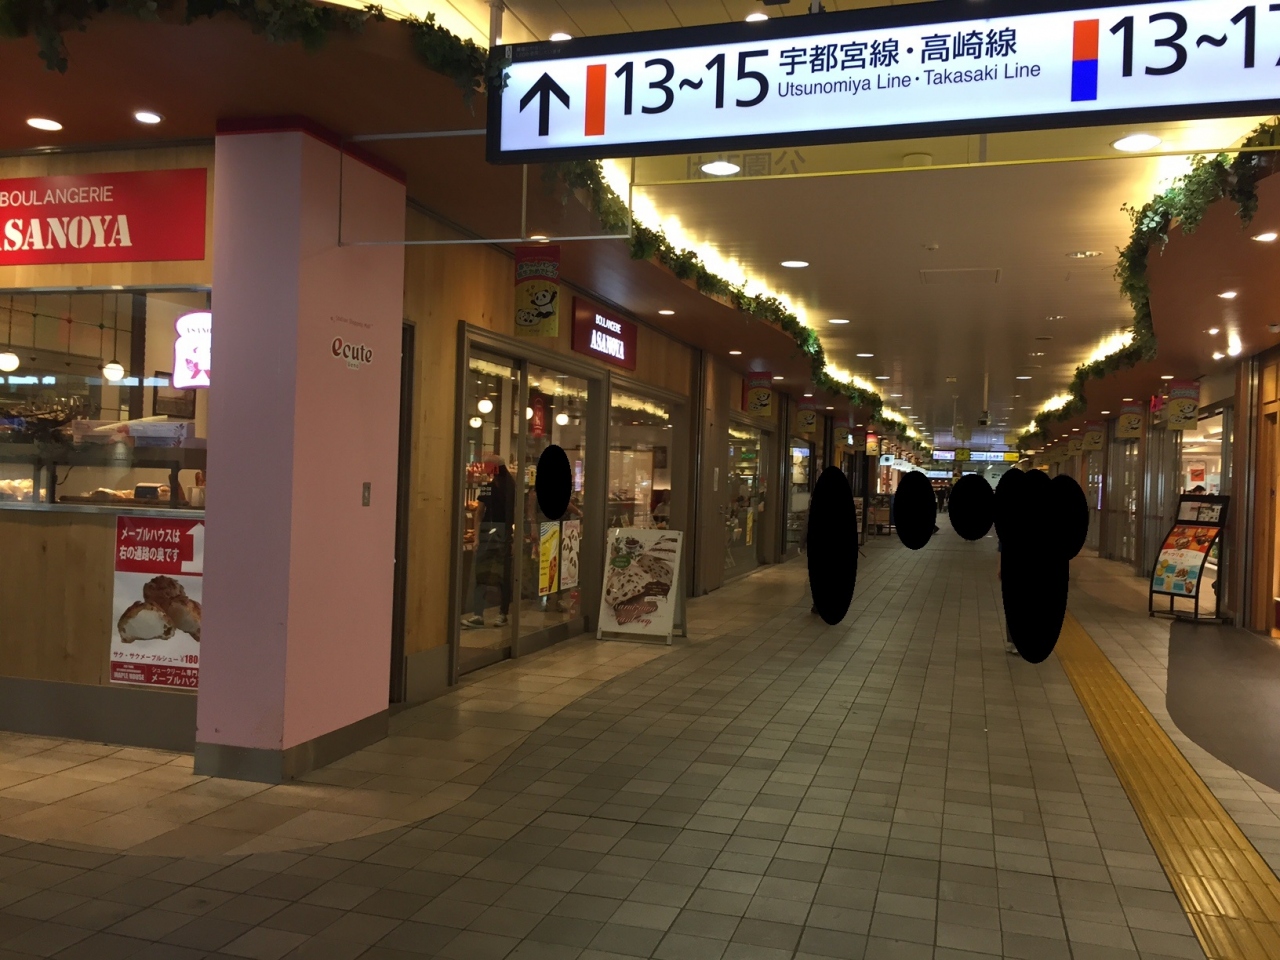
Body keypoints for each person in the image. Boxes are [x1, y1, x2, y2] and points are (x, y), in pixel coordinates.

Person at [462, 456, 515, 629]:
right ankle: (479, 614)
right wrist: (477, 536)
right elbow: (479, 512)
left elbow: (515, 514)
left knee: (502, 576)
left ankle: (502, 613)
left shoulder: (511, 489)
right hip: (489, 535)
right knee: (482, 575)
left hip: (503, 536)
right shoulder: (488, 488)